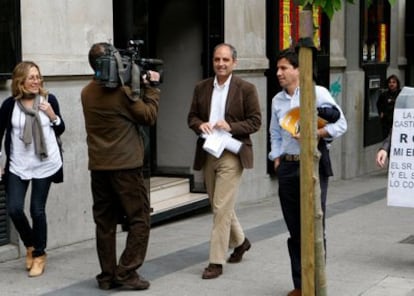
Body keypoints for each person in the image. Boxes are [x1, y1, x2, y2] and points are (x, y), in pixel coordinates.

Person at [80, 42, 160, 291]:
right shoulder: (122, 94)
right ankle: (126, 271)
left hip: (99, 167)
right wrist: (152, 88)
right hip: (126, 167)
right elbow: (148, 116)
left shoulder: (86, 92)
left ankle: (106, 276)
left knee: (104, 223)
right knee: (139, 219)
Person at [268, 48, 347, 296]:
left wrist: (315, 133)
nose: (278, 73)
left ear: (298, 69)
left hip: (312, 163)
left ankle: (317, 284)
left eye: (283, 68)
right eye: (277, 68)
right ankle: (300, 286)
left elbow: (341, 124)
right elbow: (274, 132)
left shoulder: (317, 92)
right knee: (294, 229)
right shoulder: (277, 100)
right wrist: (277, 157)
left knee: (313, 225)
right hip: (288, 166)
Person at [187, 43, 262, 279]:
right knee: (219, 205)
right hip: (209, 150)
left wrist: (231, 126)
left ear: (234, 63)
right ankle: (240, 242)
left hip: (232, 151)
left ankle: (216, 262)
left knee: (220, 208)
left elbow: (255, 121)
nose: (221, 64)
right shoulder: (201, 88)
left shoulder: (246, 89)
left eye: (226, 60)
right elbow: (191, 117)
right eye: (217, 59)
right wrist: (200, 125)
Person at [0, 61, 65, 277]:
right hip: (18, 165)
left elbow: (61, 127)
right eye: (31, 77)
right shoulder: (9, 105)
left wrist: (52, 115)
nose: (36, 81)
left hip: (45, 163)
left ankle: (39, 254)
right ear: (20, 81)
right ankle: (30, 244)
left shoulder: (49, 100)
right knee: (15, 209)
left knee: (37, 210)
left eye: (38, 77)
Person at [377, 74, 401, 139]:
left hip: (398, 121)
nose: (391, 84)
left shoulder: (401, 94)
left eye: (393, 82)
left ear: (397, 84)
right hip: (386, 122)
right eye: (390, 82)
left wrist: (392, 101)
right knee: (386, 139)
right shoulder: (384, 95)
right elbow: (379, 104)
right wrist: (381, 112)